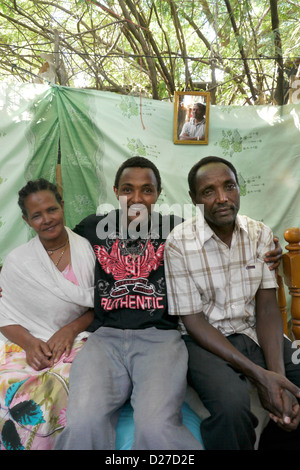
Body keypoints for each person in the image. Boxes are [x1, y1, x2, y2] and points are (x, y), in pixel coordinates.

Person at [54, 156, 204, 450]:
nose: (136, 198)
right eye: (127, 189)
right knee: (83, 423)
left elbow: (221, 244)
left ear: (158, 193)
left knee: (155, 426)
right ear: (115, 191)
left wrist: (268, 250)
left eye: (146, 190)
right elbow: (54, 248)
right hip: (104, 339)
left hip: (159, 338)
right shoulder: (92, 227)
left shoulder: (177, 229)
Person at [164, 156, 300, 450]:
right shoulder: (178, 243)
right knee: (232, 405)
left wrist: (276, 375)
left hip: (251, 329)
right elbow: (194, 321)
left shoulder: (260, 234)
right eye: (208, 191)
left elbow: (266, 308)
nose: (222, 198)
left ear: (239, 188)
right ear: (194, 199)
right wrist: (259, 376)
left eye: (229, 186)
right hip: (203, 341)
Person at [0, 179, 95, 450]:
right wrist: (30, 345)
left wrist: (69, 330)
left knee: (56, 384)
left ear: (62, 206)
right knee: (8, 384)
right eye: (37, 215)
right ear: (26, 220)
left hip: (79, 339)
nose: (47, 220)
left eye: (52, 210)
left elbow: (99, 306)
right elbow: (5, 316)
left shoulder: (88, 251)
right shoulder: (18, 261)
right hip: (27, 342)